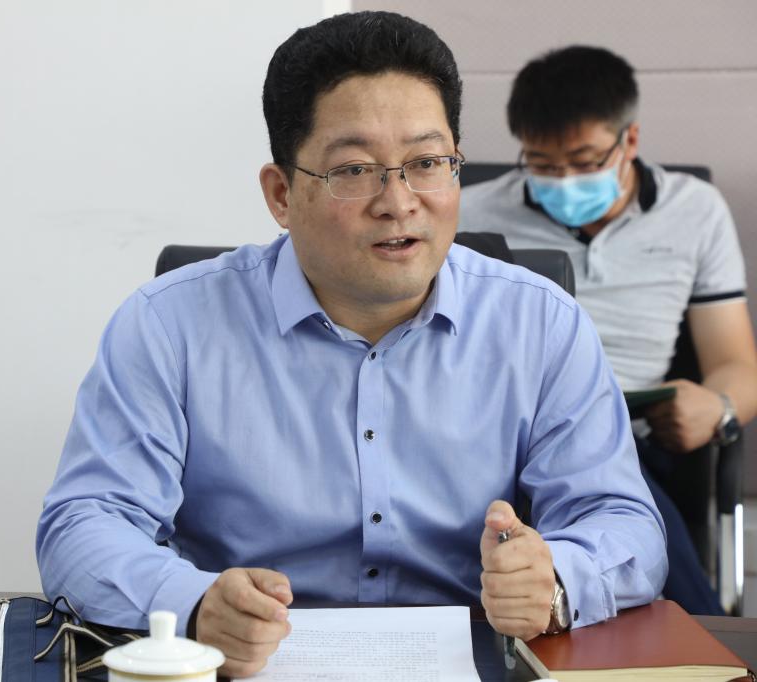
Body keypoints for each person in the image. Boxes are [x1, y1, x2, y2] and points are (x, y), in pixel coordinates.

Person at [38, 13, 667, 678]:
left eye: (427, 163)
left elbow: (622, 520)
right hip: (244, 667)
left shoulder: (542, 322)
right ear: (282, 194)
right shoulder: (168, 325)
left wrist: (557, 580)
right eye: (355, 169)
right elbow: (85, 523)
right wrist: (193, 604)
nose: (398, 202)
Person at [459, 45, 757, 616]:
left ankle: (701, 637)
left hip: (630, 432)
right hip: (502, 427)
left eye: (585, 160)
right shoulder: (467, 212)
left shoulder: (696, 211)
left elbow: (737, 363)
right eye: (542, 165)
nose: (564, 180)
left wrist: (717, 407)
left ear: (630, 140)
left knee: (621, 487)